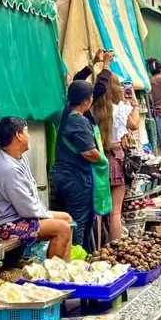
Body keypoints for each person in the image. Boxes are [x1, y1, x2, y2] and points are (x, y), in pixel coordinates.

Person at [0, 117, 72, 259]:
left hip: (19, 217)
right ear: (18, 135)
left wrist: (46, 214)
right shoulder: (7, 168)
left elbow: (30, 197)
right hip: (3, 226)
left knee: (67, 219)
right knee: (62, 228)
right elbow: (27, 208)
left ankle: (65, 271)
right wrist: (47, 214)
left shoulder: (18, 157)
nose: (28, 135)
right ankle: (54, 273)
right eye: (26, 131)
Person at [51, 81, 111, 250]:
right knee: (79, 221)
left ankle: (76, 255)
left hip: (63, 176)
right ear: (86, 101)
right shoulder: (79, 121)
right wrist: (103, 160)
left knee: (71, 219)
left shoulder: (65, 114)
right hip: (75, 178)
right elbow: (88, 152)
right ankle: (78, 258)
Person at [92, 75, 139, 240]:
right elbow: (134, 125)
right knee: (115, 212)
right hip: (116, 159)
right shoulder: (119, 109)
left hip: (98, 161)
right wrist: (135, 104)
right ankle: (115, 247)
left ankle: (97, 249)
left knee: (97, 212)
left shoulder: (92, 110)